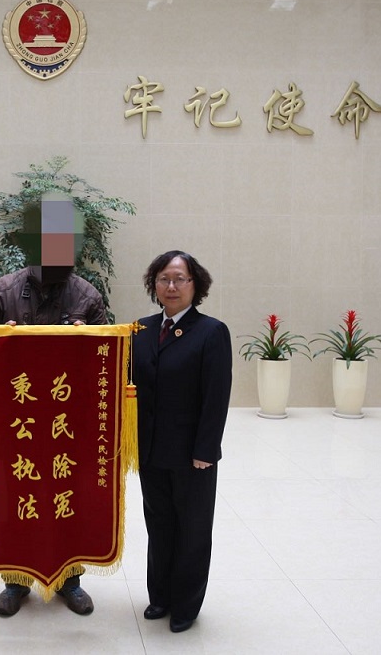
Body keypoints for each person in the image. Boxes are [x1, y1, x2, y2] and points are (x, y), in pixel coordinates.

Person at [0, 192, 104, 617]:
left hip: (68, 420)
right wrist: (0, 340)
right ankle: (15, 581)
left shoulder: (88, 295)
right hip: (18, 419)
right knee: (18, 495)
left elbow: (109, 359)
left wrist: (88, 340)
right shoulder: (2, 290)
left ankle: (70, 580)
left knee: (68, 496)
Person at [132, 250, 232, 634]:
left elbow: (216, 396)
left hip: (192, 455)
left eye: (180, 279)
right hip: (150, 450)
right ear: (153, 284)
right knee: (159, 525)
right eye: (164, 279)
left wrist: (206, 450)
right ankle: (160, 596)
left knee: (192, 529)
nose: (171, 286)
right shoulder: (140, 330)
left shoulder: (211, 332)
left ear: (195, 284)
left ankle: (186, 605)